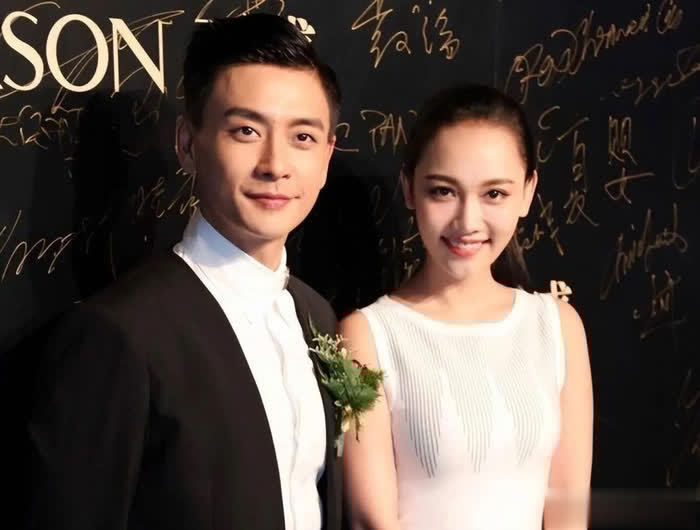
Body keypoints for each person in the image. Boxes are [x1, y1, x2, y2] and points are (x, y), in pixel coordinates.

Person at [27, 14, 343, 530]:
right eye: (246, 131)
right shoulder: (118, 334)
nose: (275, 164)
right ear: (188, 144)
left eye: (302, 137)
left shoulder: (318, 316)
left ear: (327, 156)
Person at [340, 84, 593, 530]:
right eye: (443, 191)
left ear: (528, 191)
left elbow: (569, 512)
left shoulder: (557, 326)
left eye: (494, 194)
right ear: (409, 188)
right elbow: (371, 519)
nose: (467, 222)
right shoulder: (366, 335)